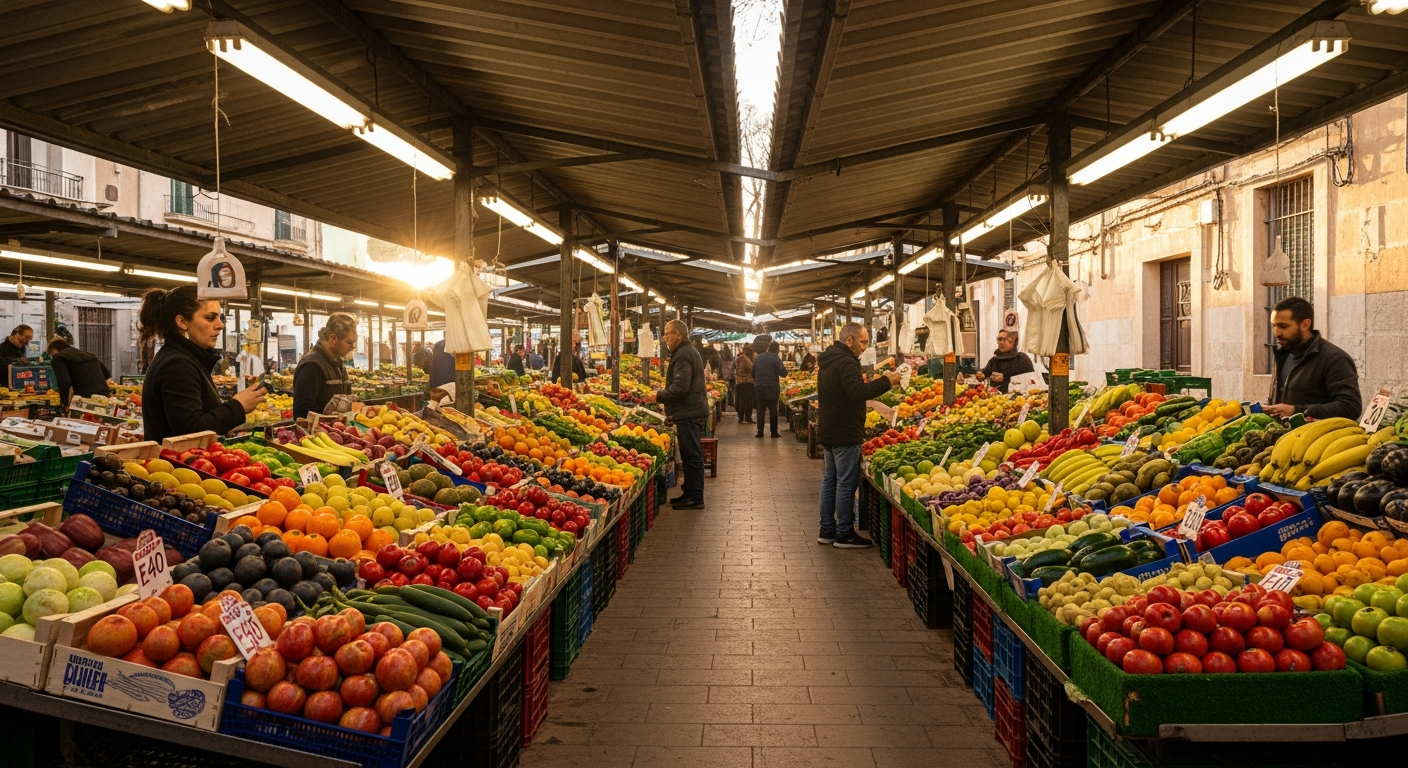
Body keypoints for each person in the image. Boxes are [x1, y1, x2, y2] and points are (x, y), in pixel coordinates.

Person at [139, 285, 265, 445]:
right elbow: (190, 430)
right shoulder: (177, 365)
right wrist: (237, 406)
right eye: (210, 318)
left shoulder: (186, 358)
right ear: (182, 322)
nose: (220, 325)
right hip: (178, 466)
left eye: (220, 318)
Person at [817, 322, 901, 548]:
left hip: (829, 428)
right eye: (863, 342)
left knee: (830, 480)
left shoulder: (828, 361)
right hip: (845, 430)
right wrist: (887, 382)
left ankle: (827, 530)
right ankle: (844, 533)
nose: (865, 347)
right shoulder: (846, 362)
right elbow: (857, 393)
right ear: (849, 340)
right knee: (845, 482)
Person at [1264, 297, 1362, 420]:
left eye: (1283, 326)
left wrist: (1297, 410)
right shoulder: (1283, 355)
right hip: (1283, 436)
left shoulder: (1335, 359)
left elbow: (1350, 407)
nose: (1276, 333)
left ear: (1305, 325)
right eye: (1274, 326)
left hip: (1319, 438)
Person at [654, 319, 708, 510]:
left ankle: (695, 497)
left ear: (678, 334)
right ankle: (689, 493)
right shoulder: (685, 352)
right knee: (688, 454)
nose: (665, 337)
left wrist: (658, 395)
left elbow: (681, 387)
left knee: (692, 455)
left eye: (668, 333)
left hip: (689, 411)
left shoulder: (683, 354)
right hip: (689, 410)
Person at [292, 312, 356, 418]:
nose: (352, 346)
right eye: (349, 342)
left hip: (334, 431)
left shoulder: (338, 364)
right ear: (333, 339)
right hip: (316, 433)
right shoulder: (312, 366)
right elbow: (302, 411)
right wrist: (333, 416)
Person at [47, 338, 110, 407]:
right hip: (103, 397)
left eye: (52, 355)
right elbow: (107, 374)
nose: (52, 357)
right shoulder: (90, 355)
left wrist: (65, 403)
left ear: (54, 350)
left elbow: (64, 382)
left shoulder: (59, 358)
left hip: (83, 400)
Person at [977, 329, 1035, 394]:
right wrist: (980, 375)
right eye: (999, 339)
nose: (1001, 342)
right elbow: (985, 373)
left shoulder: (1022, 359)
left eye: (1004, 340)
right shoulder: (994, 360)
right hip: (996, 399)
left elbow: (1031, 380)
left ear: (1013, 342)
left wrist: (1005, 379)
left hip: (1019, 398)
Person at [752, 339, 788, 438]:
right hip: (772, 387)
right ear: (777, 350)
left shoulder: (759, 357)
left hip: (759, 387)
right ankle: (774, 432)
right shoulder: (776, 358)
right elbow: (783, 373)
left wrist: (760, 380)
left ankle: (760, 432)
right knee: (773, 410)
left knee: (761, 410)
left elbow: (753, 373)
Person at [734, 343, 755, 423]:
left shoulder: (740, 357)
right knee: (747, 401)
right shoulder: (744, 358)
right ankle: (746, 417)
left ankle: (742, 417)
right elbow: (751, 368)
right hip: (746, 382)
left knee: (742, 400)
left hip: (740, 382)